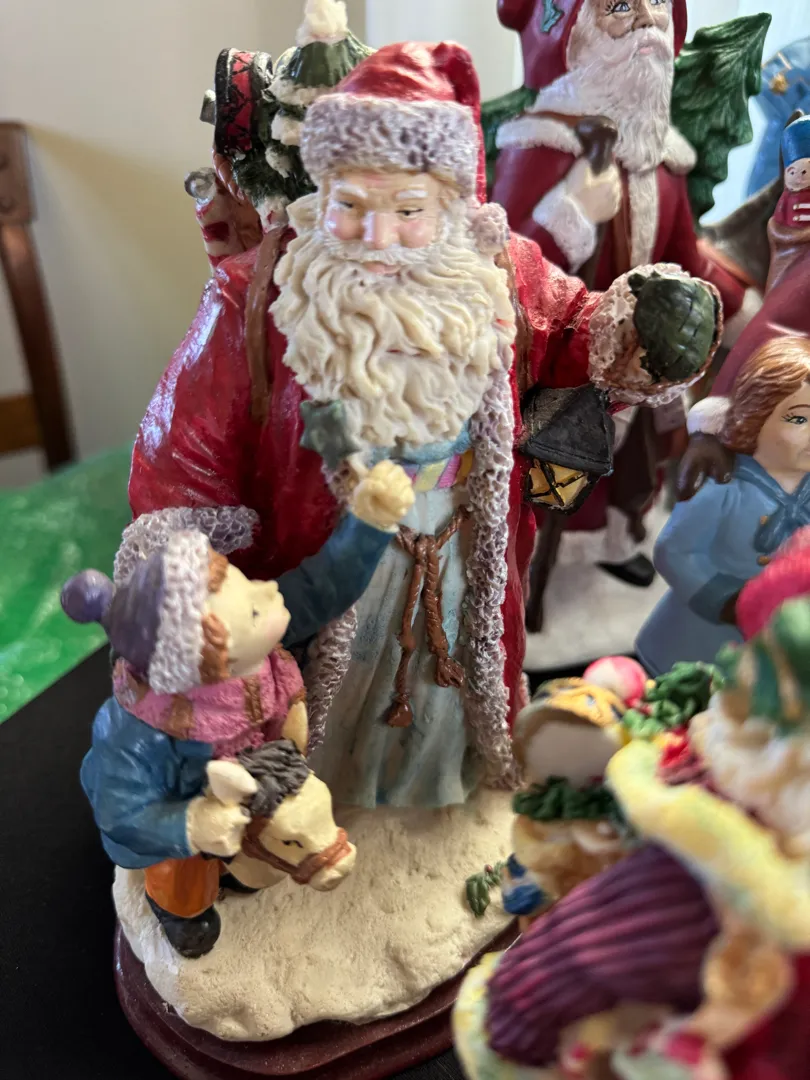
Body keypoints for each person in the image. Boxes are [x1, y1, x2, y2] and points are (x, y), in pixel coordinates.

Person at [63, 461, 412, 956]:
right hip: (187, 803)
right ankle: (181, 913)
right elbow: (120, 808)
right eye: (251, 607)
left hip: (261, 777)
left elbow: (322, 587)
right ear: (212, 662)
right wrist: (190, 824)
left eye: (247, 584)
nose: (268, 590)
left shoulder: (256, 656)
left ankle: (249, 868)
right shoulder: (138, 734)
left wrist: (369, 524)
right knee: (182, 873)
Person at [493, 0, 756, 583]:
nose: (646, 19)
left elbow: (687, 259)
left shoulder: (663, 162)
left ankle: (616, 539)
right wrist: (571, 213)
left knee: (635, 461)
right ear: (572, 36)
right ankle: (528, 564)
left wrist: (736, 309)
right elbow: (503, 271)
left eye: (657, 3)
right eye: (618, 6)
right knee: (552, 467)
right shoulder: (540, 148)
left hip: (642, 363)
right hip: (563, 362)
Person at [636, 337, 810, 677]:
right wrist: (724, 599)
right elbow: (674, 551)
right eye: (799, 419)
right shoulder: (725, 489)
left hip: (771, 643)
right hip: (700, 637)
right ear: (755, 417)